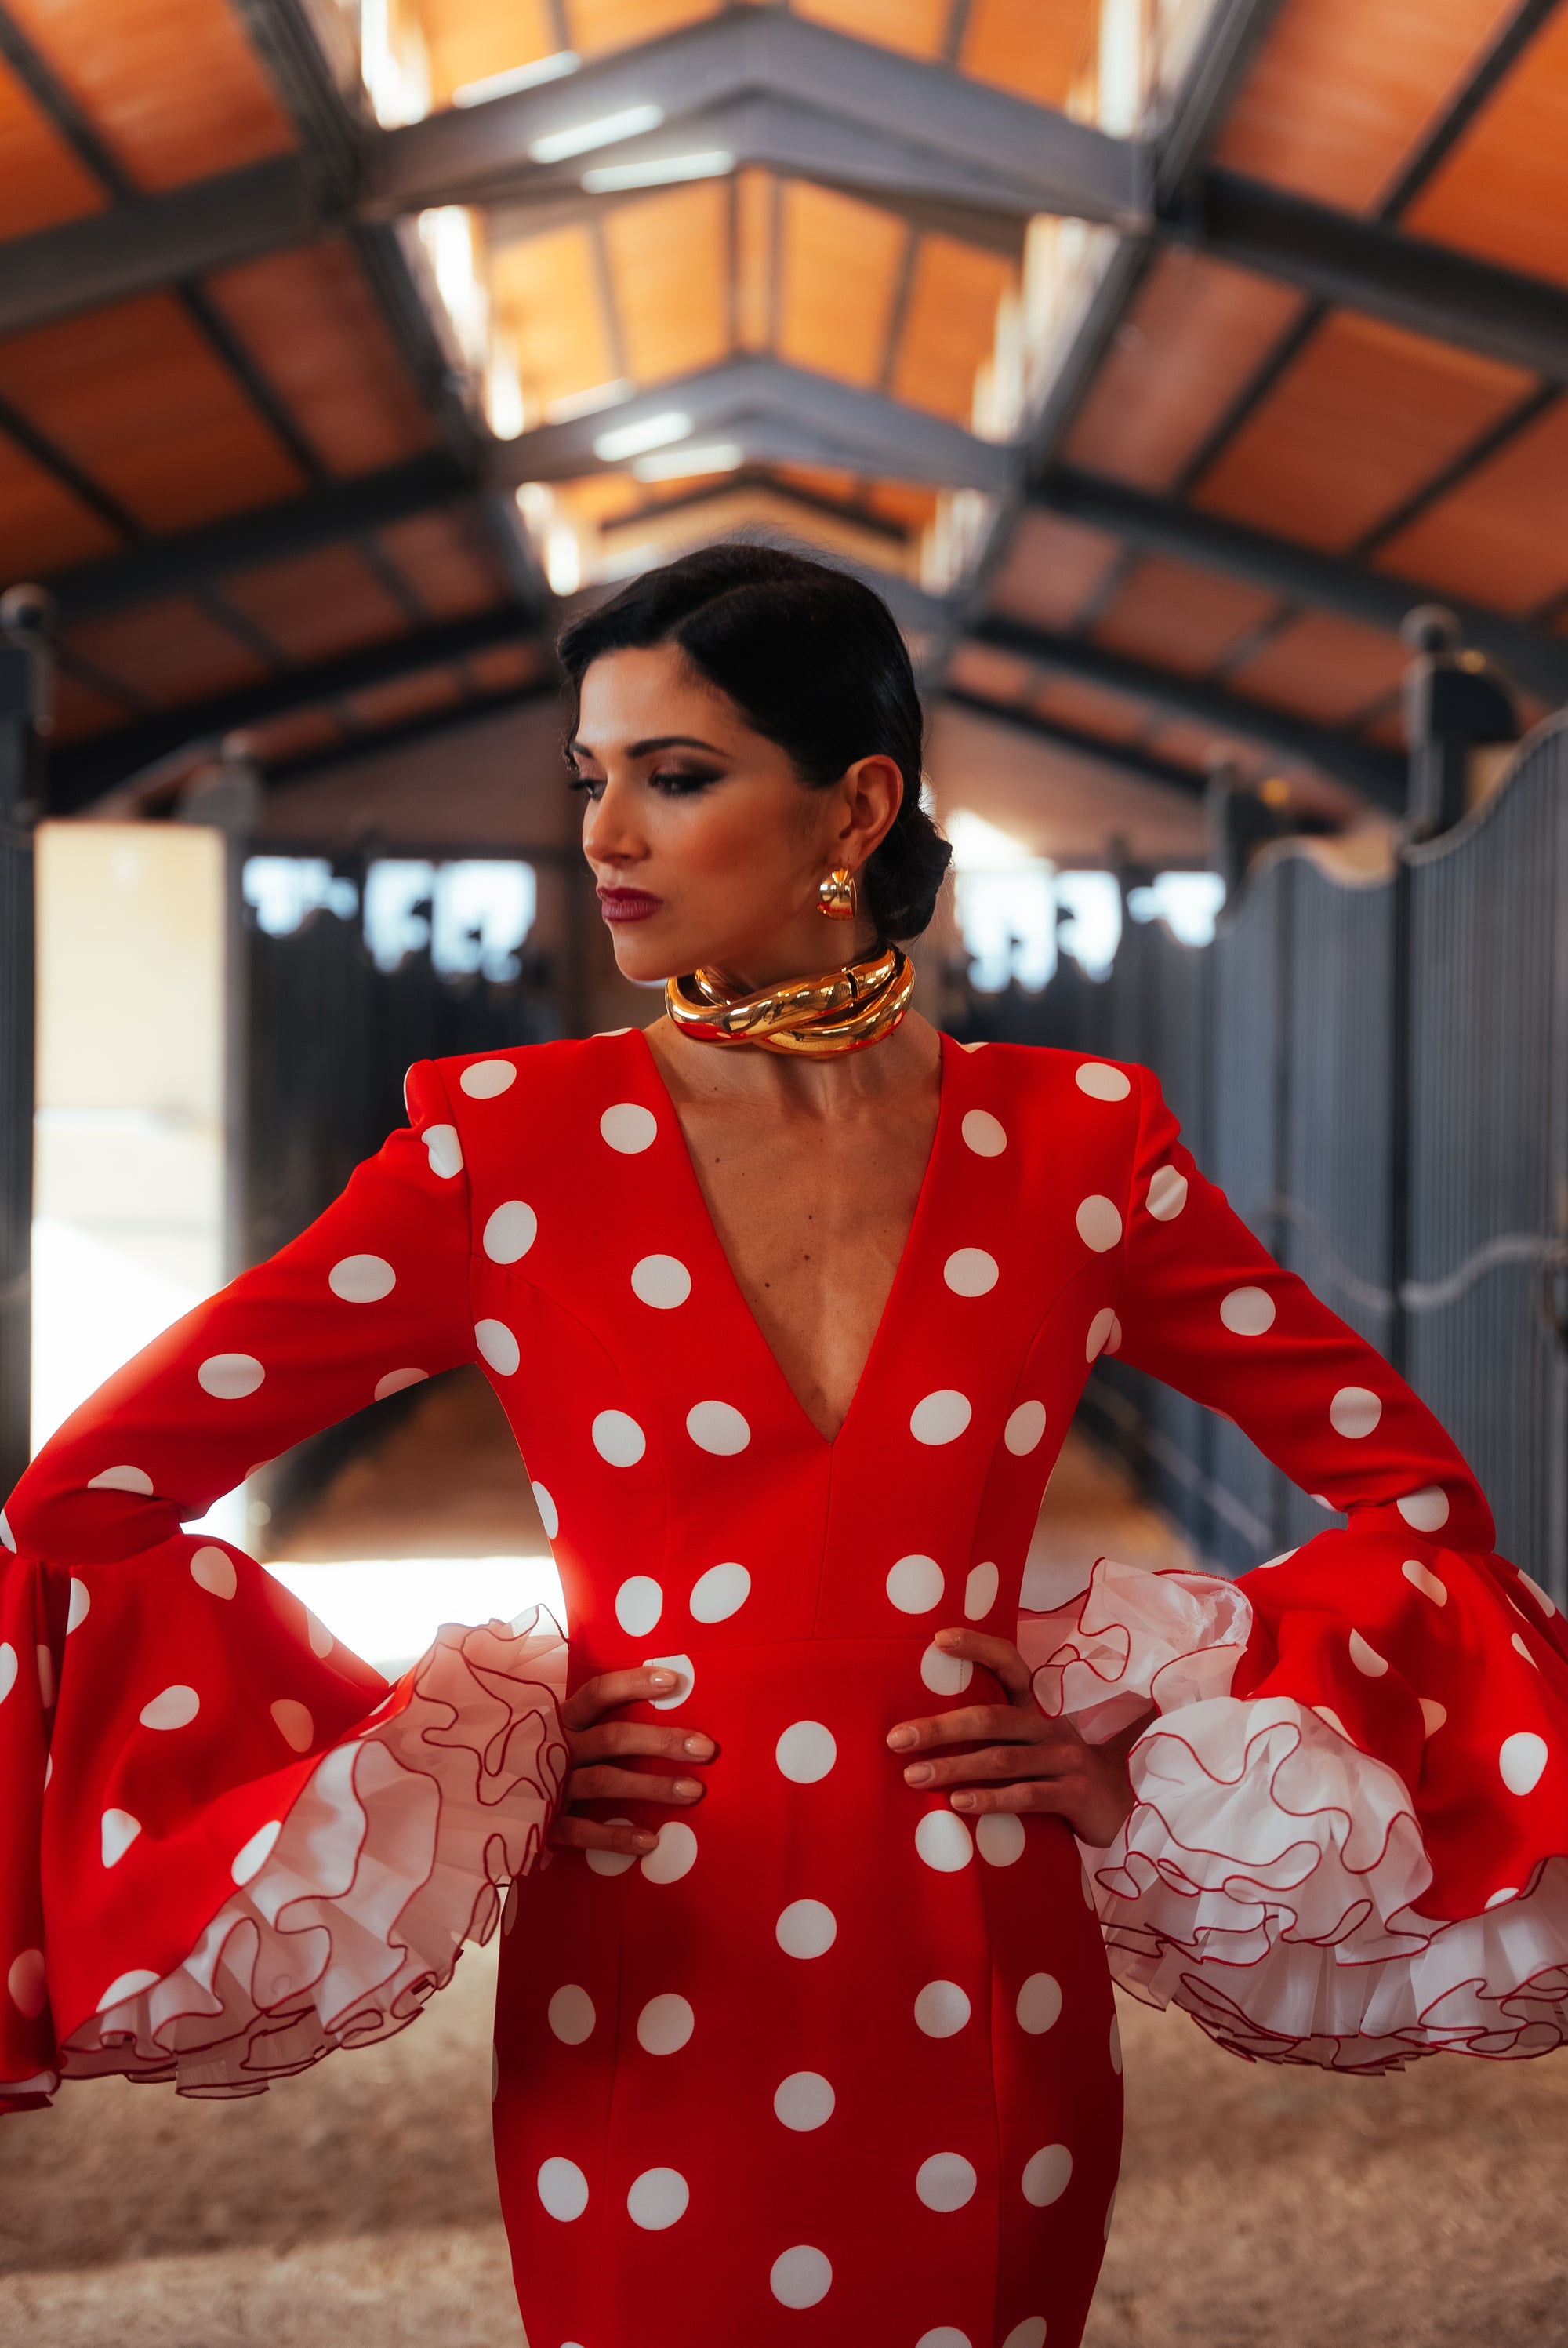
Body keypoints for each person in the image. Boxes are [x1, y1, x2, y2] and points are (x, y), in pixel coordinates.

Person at [3, 542, 1566, 2348]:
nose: (607, 838)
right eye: (591, 780)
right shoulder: (500, 1148)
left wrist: (1131, 1746)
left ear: (856, 808)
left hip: (983, 1944)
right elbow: (84, 1506)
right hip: (649, 1941)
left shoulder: (1079, 1144)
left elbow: (1416, 1499)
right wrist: (460, 1748)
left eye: (675, 778)